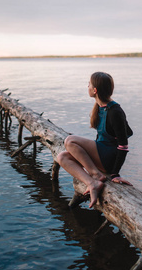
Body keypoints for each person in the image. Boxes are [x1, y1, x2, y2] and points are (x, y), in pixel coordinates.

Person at [57, 72, 133, 208]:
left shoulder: (115, 111)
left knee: (70, 141)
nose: (87, 86)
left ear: (95, 90)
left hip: (109, 157)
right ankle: (92, 183)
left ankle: (95, 174)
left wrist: (115, 173)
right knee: (62, 157)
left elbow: (123, 146)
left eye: (89, 84)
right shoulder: (99, 107)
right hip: (101, 153)